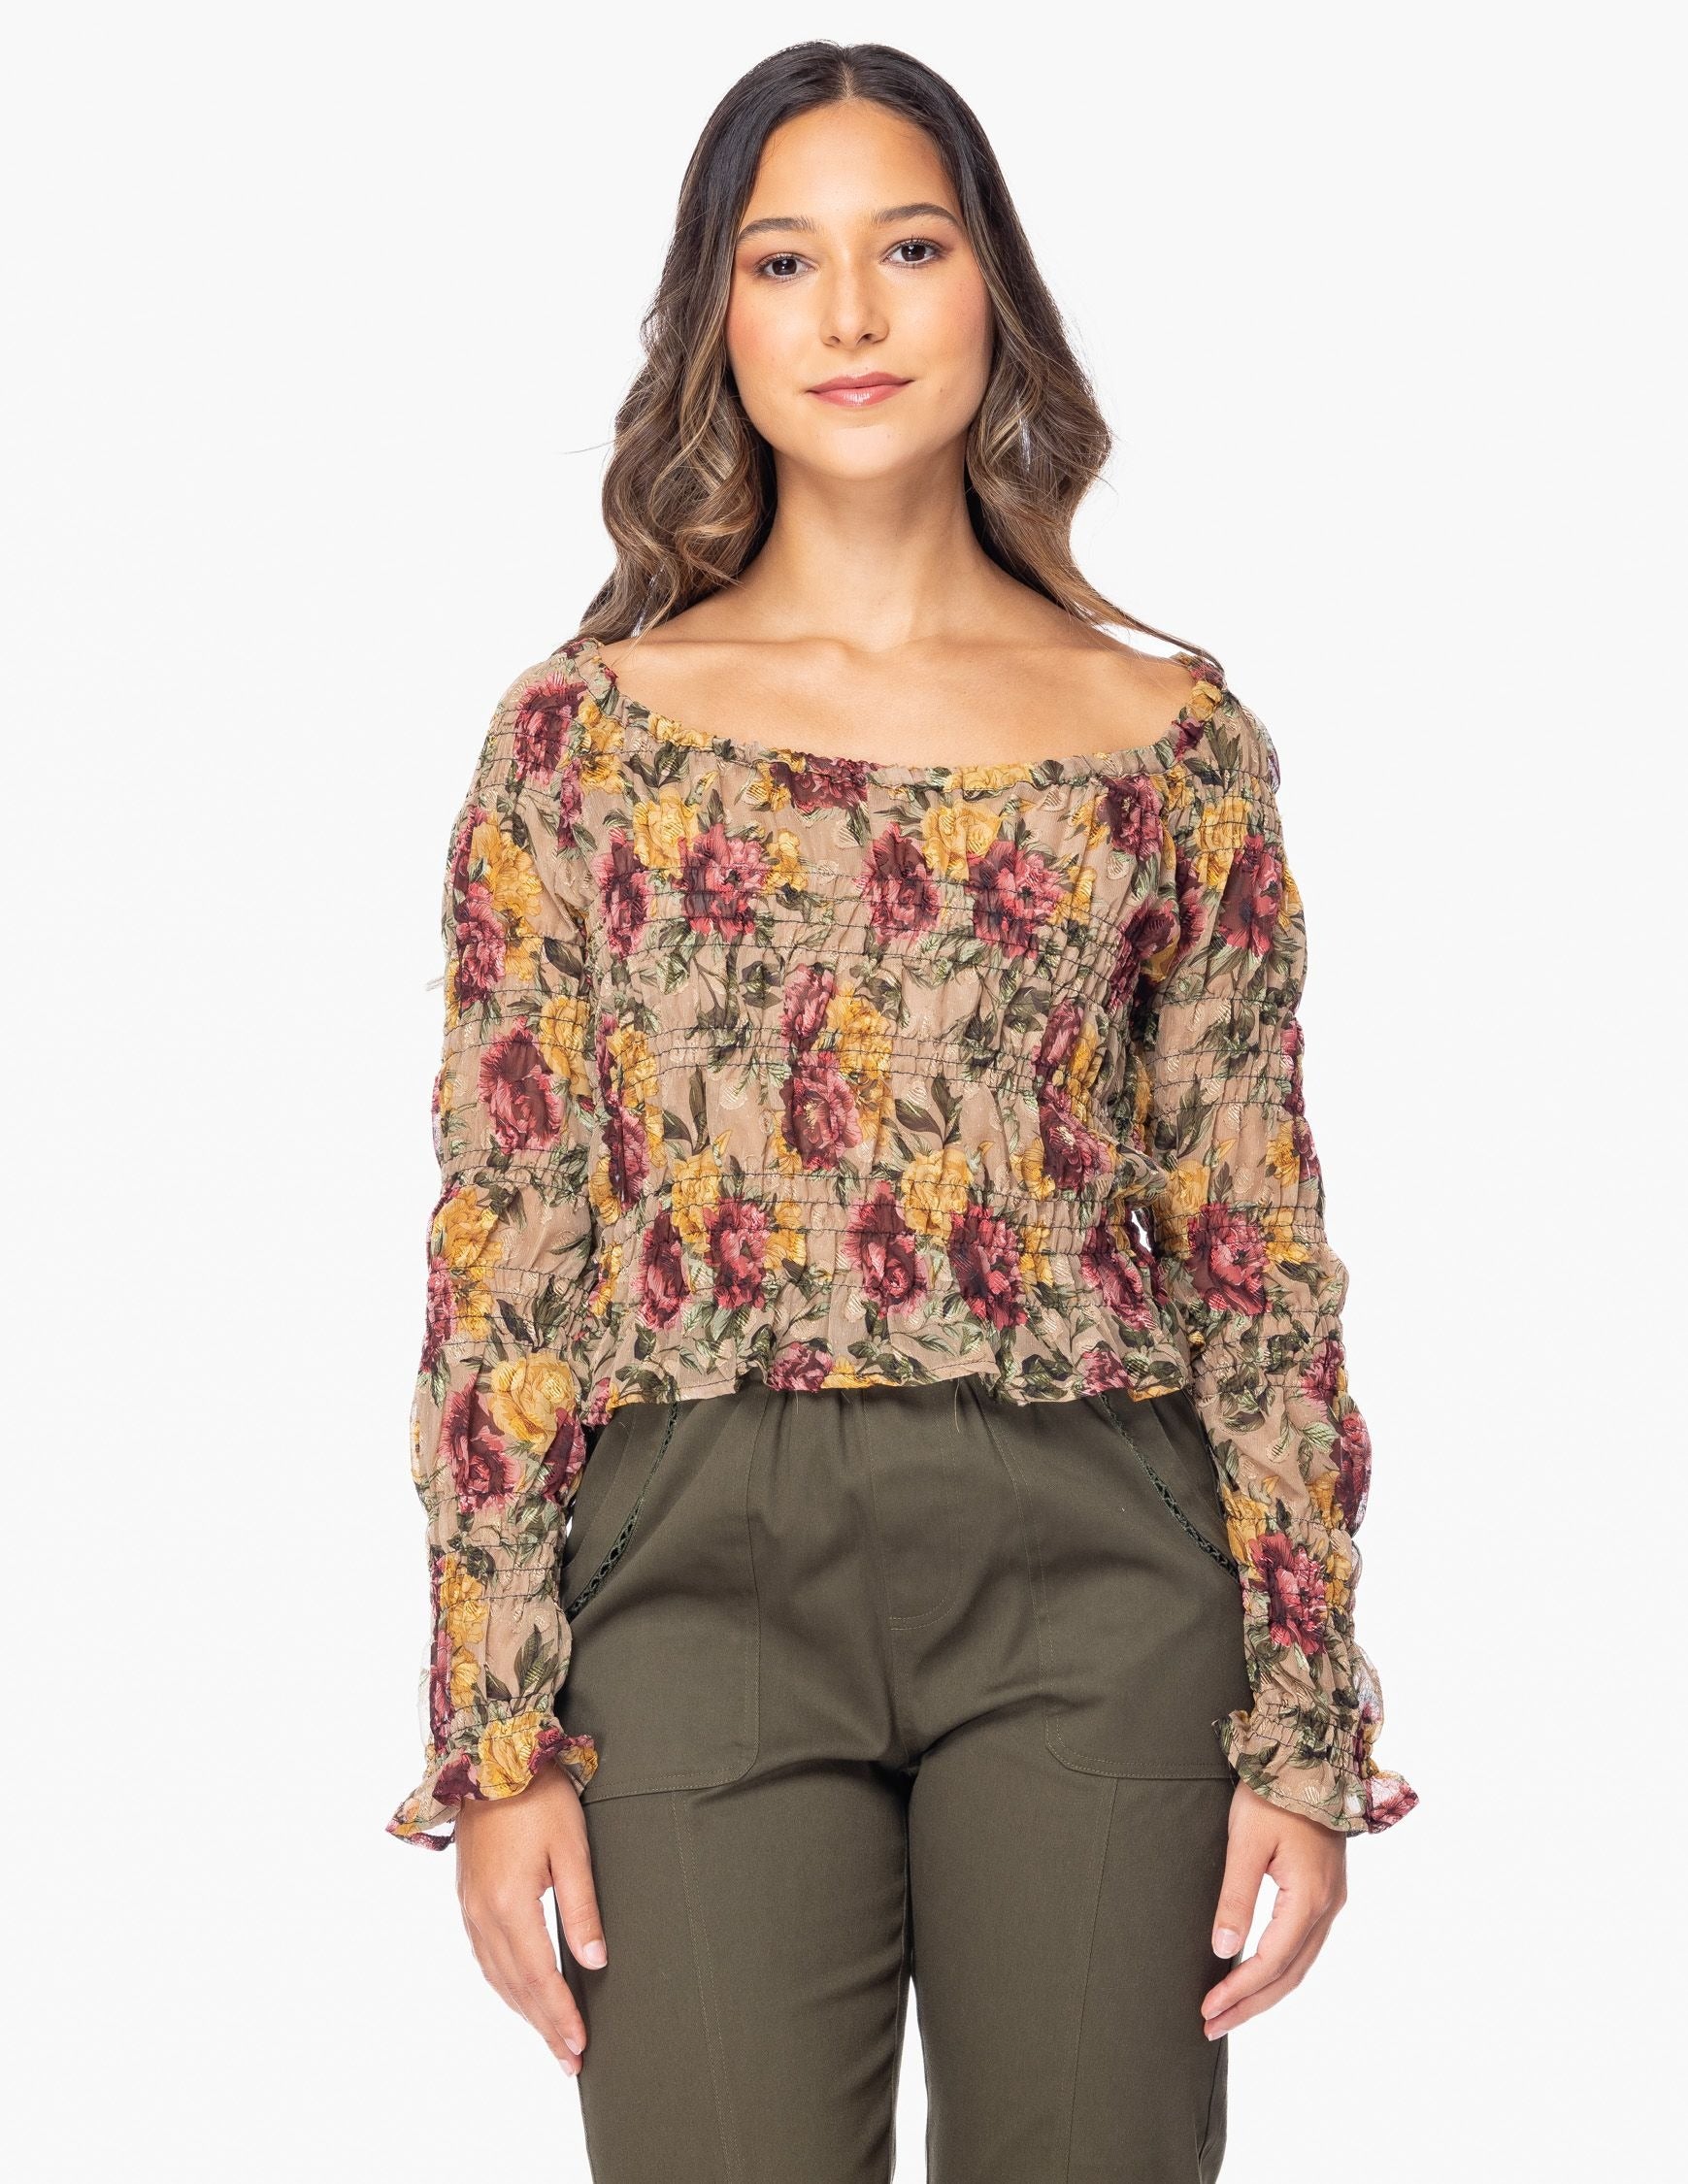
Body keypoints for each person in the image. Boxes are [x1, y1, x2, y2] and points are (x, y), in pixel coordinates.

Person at [386, 39, 1417, 2181]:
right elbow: (511, 1238)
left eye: (910, 248)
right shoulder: (581, 745)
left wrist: (1306, 1726)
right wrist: (496, 1731)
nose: (850, 314)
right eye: (784, 260)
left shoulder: (1170, 740)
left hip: (1102, 1575)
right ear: (717, 316)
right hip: (690, 1578)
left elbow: (1254, 1247)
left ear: (994, 289)